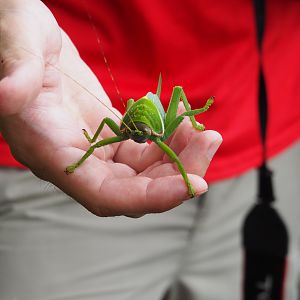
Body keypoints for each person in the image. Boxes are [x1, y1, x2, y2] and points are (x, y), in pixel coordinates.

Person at [0, 1, 299, 299]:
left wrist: (193, 122)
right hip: (61, 115)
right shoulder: (120, 130)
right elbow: (107, 120)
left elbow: (178, 112)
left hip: (269, 117)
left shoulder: (160, 135)